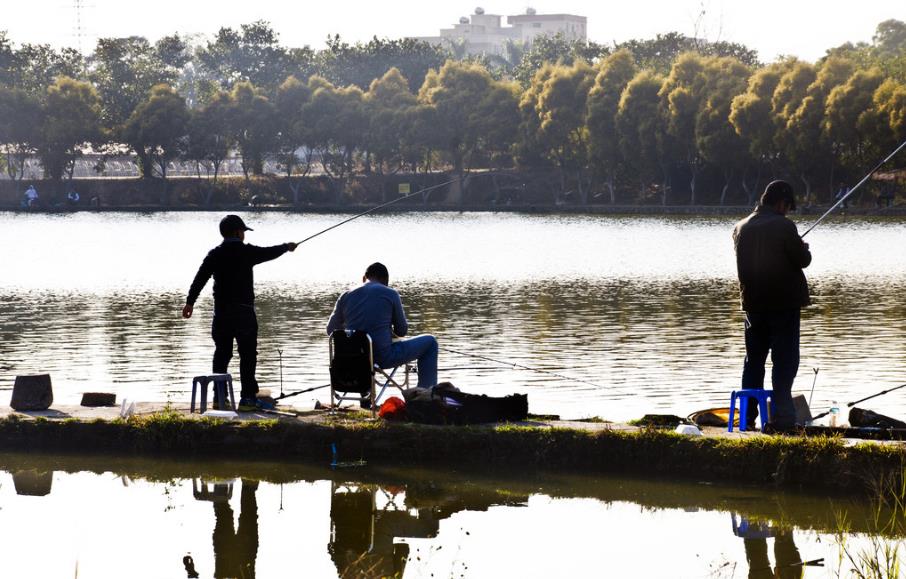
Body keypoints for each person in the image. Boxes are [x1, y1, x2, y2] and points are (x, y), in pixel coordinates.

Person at [182, 214, 297, 411]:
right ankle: (248, 399)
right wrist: (287, 247)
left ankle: (219, 398)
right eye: (243, 231)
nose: (244, 234)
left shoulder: (214, 254)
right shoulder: (247, 252)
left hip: (221, 314)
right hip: (244, 313)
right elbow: (269, 252)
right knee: (248, 355)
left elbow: (199, 278)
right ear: (237, 232)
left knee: (222, 353)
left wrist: (190, 302)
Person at [732, 180, 812, 433]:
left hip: (753, 305)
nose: (788, 211)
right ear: (781, 203)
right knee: (784, 361)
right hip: (783, 305)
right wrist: (802, 247)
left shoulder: (740, 227)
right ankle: (783, 420)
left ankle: (747, 419)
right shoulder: (784, 226)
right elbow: (803, 260)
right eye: (788, 206)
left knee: (753, 361)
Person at [326, 262, 438, 388]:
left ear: (364, 278)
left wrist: (352, 334)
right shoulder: (390, 293)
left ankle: (365, 399)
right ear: (385, 281)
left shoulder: (345, 295)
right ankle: (426, 394)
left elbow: (331, 330)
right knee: (431, 342)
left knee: (362, 346)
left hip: (352, 358)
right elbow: (402, 330)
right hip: (382, 357)